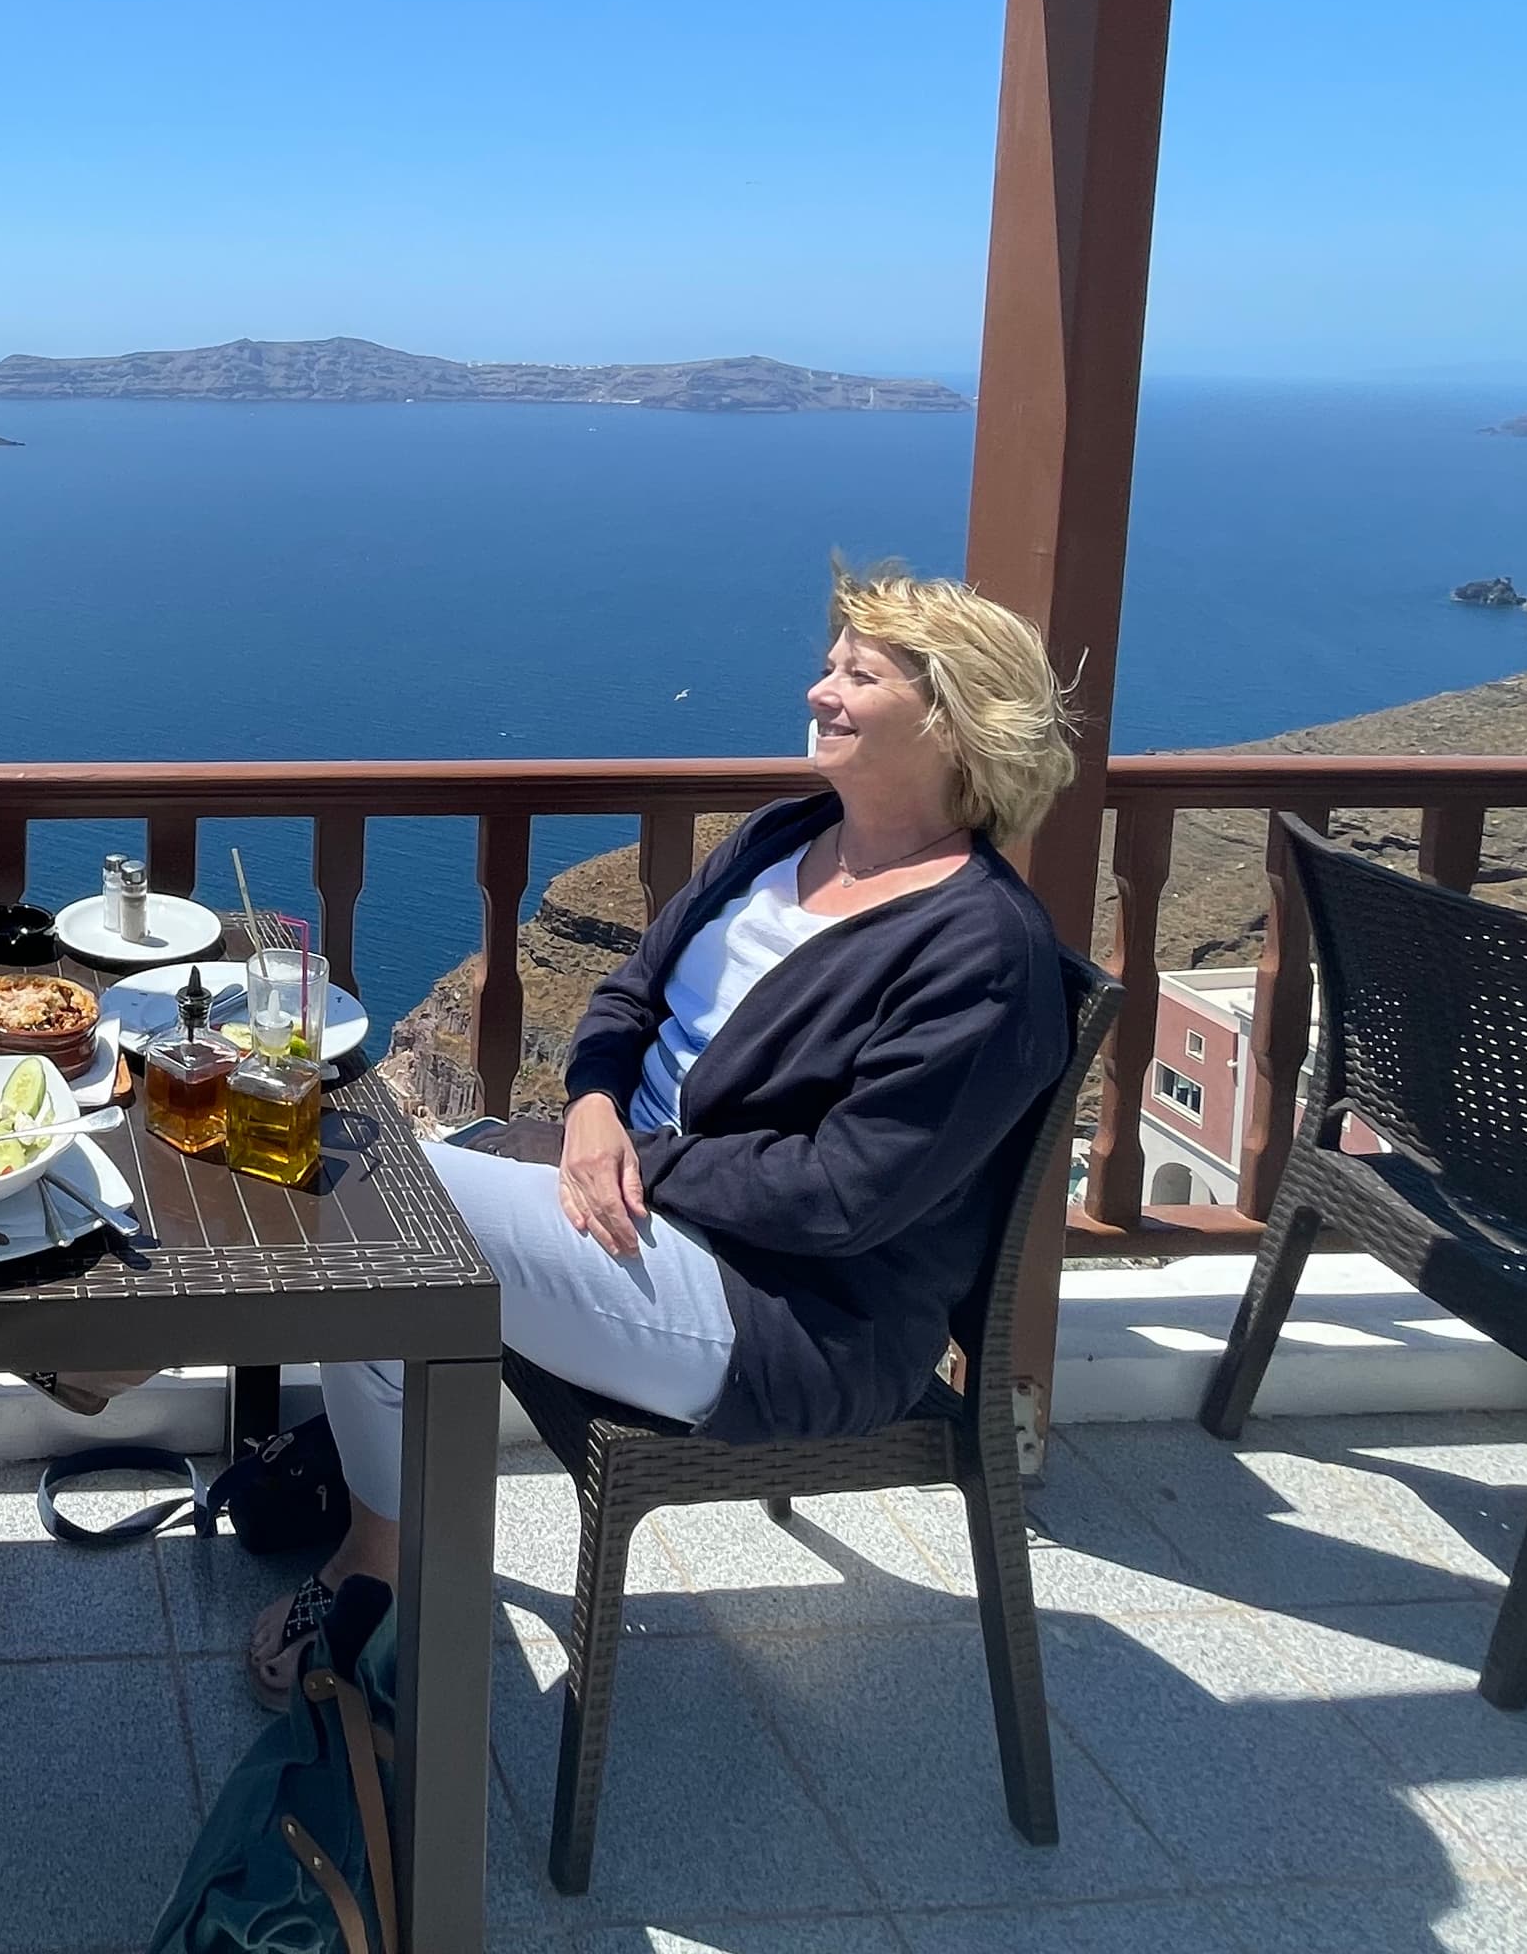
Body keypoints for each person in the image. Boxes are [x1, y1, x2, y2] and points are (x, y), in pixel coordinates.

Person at [259, 564, 1078, 1701]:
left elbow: (844, 1195)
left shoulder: (981, 955)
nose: (820, 689)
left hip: (787, 1314)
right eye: (830, 663)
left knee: (373, 1198)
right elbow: (626, 999)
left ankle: (378, 1565)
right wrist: (594, 1109)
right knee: (376, 1203)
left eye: (860, 673)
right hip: (639, 1207)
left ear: (952, 722)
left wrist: (638, 1155)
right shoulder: (791, 837)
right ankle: (387, 1535)